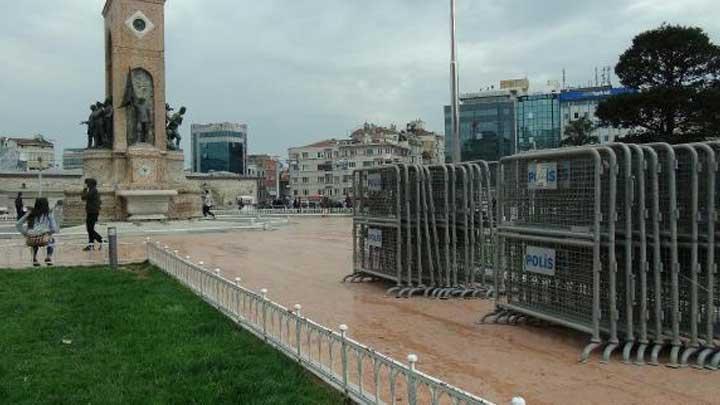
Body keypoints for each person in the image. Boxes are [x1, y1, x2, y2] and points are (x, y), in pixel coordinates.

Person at [16, 198, 59, 267]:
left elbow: (18, 224)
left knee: (35, 244)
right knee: (52, 240)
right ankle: (48, 257)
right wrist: (50, 232)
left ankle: (34, 259)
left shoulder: (30, 213)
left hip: (31, 239)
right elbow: (54, 228)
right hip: (44, 239)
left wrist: (25, 233)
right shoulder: (48, 214)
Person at [81, 178, 103, 251]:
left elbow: (83, 197)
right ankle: (91, 245)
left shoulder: (93, 190)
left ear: (90, 184)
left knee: (90, 229)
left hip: (93, 212)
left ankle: (100, 240)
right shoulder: (92, 190)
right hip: (91, 212)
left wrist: (84, 189)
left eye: (87, 183)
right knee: (90, 229)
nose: (86, 185)